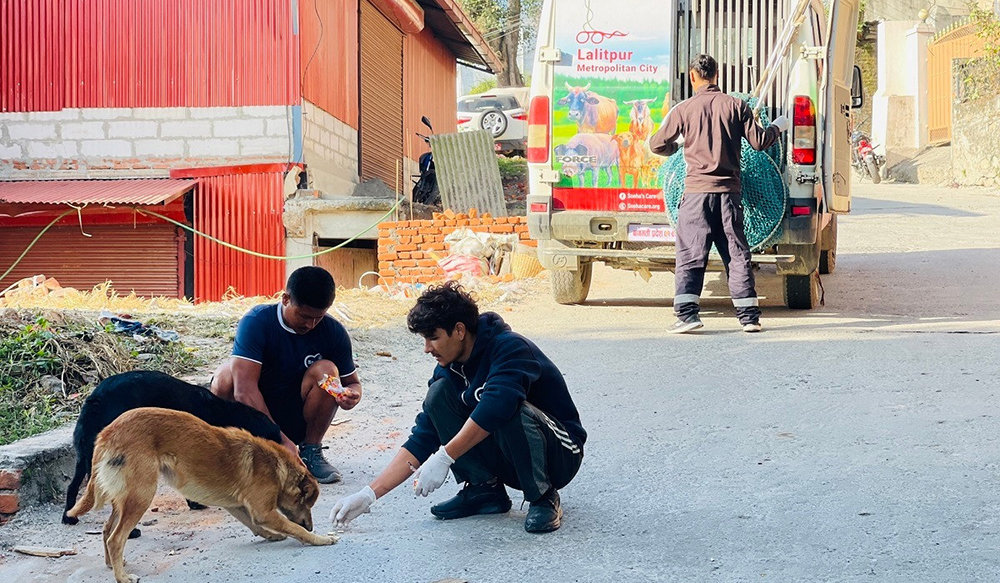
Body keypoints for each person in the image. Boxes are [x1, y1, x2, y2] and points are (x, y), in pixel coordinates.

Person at [331, 281, 586, 533]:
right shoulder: (447, 369)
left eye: (433, 338)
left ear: (460, 330)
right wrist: (369, 494)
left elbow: (496, 408)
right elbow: (424, 435)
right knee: (437, 396)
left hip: (560, 455)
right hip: (511, 456)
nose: (427, 349)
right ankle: (484, 490)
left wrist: (445, 456)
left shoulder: (510, 348)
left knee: (507, 408)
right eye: (424, 339)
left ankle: (543, 497)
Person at [649, 54, 789, 334]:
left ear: (692, 77)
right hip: (728, 196)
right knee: (736, 254)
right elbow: (760, 142)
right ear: (717, 76)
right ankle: (749, 318)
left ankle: (688, 316)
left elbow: (656, 145)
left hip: (695, 196)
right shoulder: (737, 106)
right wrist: (777, 127)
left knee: (691, 254)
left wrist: (677, 147)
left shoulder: (683, 109)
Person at [210, 266, 362, 484]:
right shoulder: (257, 322)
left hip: (296, 416)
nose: (310, 325)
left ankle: (310, 451)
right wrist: (278, 440)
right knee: (225, 376)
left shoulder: (334, 332)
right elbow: (244, 391)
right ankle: (229, 452)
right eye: (304, 316)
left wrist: (352, 395)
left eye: (318, 318)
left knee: (327, 371)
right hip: (254, 415)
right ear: (285, 299)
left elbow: (353, 383)